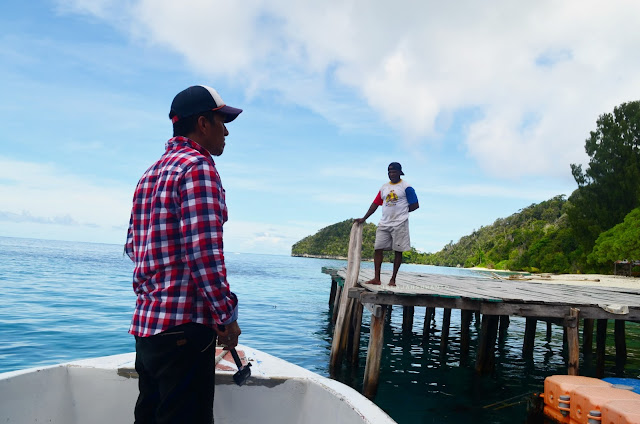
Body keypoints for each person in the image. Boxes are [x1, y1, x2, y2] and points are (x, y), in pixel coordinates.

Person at [125, 85, 242, 423]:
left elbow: (135, 246)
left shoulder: (150, 174)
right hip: (185, 332)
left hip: (148, 329)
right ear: (203, 123)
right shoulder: (198, 168)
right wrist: (225, 317)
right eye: (222, 121)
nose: (227, 130)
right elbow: (204, 254)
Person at [355, 162, 419, 286]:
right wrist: (364, 218)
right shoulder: (384, 188)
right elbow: (375, 204)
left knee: (398, 250)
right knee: (378, 248)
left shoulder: (406, 187)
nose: (391, 174)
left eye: (394, 172)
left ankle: (393, 279)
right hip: (384, 223)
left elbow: (415, 205)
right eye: (389, 172)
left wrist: (403, 212)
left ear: (400, 172)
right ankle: (376, 278)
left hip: (400, 223)